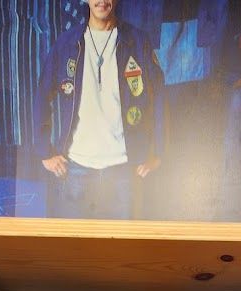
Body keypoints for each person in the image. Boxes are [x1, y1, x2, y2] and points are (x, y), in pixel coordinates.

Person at [35, 0, 165, 219]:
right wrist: (44, 151)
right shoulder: (67, 43)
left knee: (124, 251)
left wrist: (158, 151)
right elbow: (41, 95)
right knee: (74, 251)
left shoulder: (137, 41)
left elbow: (159, 96)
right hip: (75, 169)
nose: (102, 1)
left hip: (125, 170)